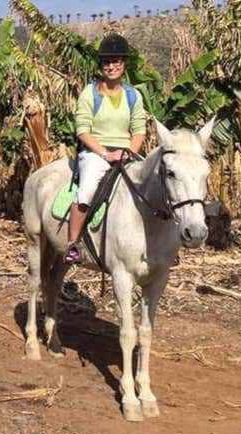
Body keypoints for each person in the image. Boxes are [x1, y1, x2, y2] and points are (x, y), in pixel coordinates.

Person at [66, 33, 147, 264]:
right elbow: (83, 130)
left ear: (124, 64)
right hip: (95, 152)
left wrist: (129, 152)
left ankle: (163, 246)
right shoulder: (89, 93)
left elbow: (139, 129)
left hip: (126, 152)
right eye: (106, 62)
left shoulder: (133, 95)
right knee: (88, 188)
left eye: (116, 62)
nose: (111, 67)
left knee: (157, 180)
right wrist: (105, 153)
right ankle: (73, 243)